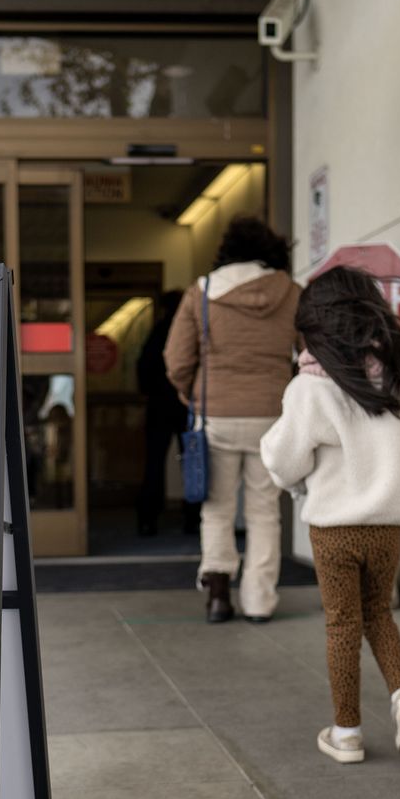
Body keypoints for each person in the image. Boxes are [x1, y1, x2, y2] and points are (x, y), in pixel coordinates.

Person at [262, 268, 400, 762]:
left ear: (315, 326)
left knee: (341, 626)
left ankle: (347, 732)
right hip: (388, 528)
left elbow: (284, 461)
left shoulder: (310, 386)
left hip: (334, 530)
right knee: (379, 616)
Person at [164, 217, 300, 623]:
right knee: (264, 511)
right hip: (272, 416)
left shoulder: (202, 294)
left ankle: (219, 594)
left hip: (216, 414)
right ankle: (259, 601)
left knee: (218, 508)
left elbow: (176, 358)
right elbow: (309, 352)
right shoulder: (292, 293)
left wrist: (191, 392)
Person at [136, 290, 195, 537]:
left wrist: (149, 392)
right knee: (192, 462)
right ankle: (193, 518)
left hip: (159, 406)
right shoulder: (190, 331)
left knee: (154, 464)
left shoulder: (158, 331)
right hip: (186, 403)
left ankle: (148, 519)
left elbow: (143, 367)